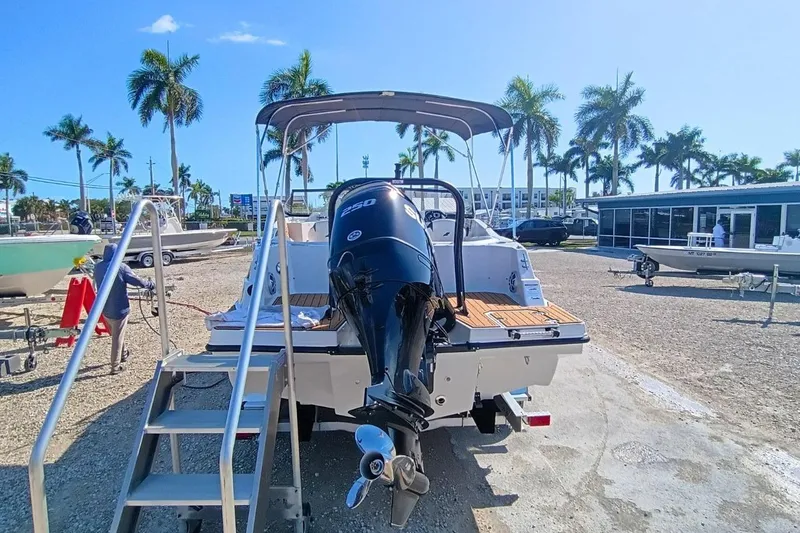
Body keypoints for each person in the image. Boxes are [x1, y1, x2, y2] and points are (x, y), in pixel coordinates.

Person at [94, 243, 155, 374]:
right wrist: (150, 284)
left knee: (116, 333)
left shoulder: (97, 267)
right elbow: (137, 281)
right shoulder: (121, 267)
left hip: (104, 308)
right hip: (119, 308)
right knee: (117, 337)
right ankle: (115, 366)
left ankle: (123, 353)